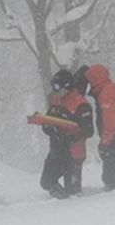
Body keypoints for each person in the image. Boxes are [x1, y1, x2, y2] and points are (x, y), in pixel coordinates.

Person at [38, 69, 94, 198]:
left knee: (73, 193)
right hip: (56, 151)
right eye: (53, 87)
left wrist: (68, 136)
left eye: (57, 87)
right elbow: (47, 121)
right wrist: (49, 128)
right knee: (47, 182)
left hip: (73, 153)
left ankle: (72, 211)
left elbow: (88, 130)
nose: (55, 90)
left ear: (67, 86)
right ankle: (61, 202)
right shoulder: (55, 100)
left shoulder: (81, 104)